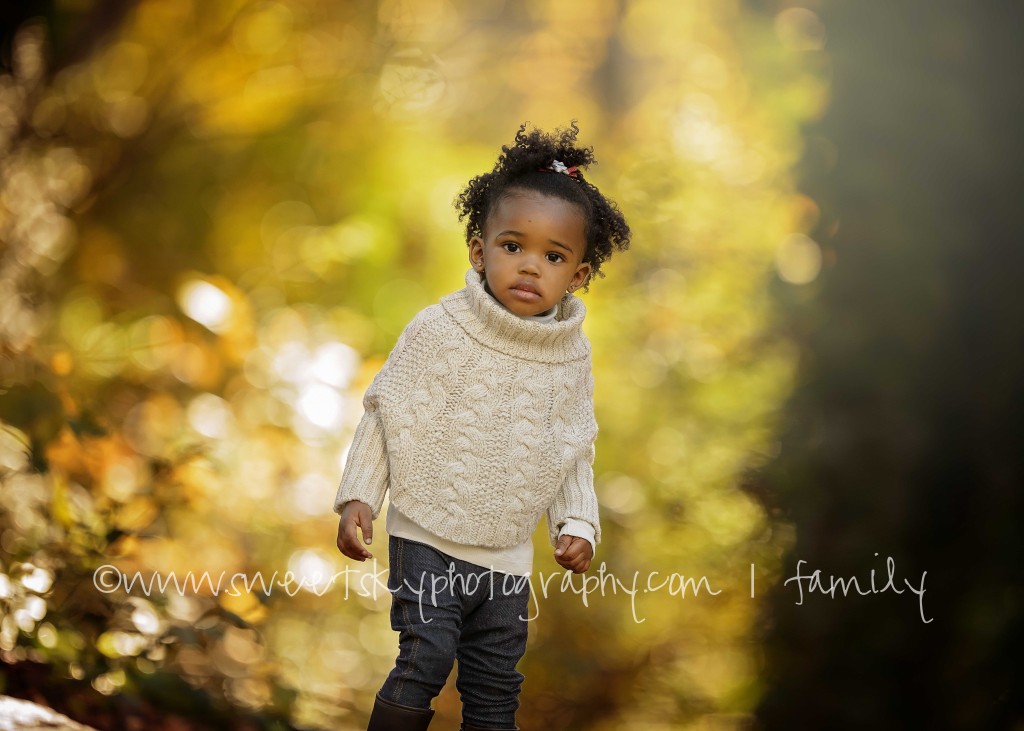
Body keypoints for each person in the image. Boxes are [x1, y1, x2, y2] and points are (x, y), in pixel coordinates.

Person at [334, 122, 631, 731]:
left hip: (508, 553)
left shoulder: (571, 356)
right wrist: (360, 494)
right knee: (427, 656)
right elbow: (386, 410)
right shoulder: (439, 329)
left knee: (495, 689)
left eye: (553, 256)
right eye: (512, 246)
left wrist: (578, 521)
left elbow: (572, 447)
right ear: (478, 249)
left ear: (578, 275)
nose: (529, 267)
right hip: (428, 533)